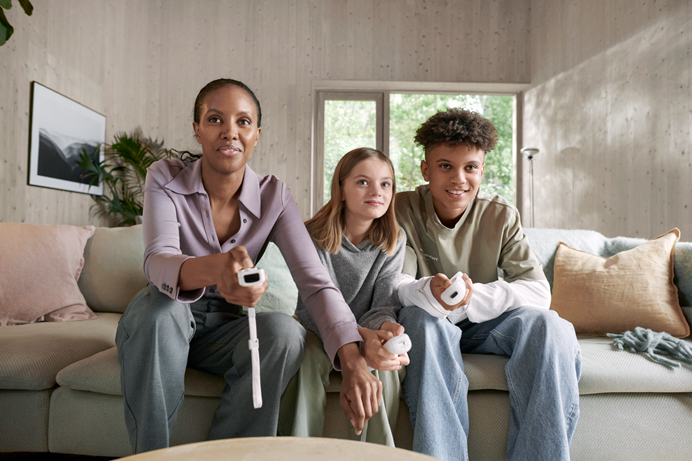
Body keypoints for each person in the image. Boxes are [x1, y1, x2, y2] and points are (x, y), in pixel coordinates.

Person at [115, 79, 380, 454]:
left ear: (257, 134)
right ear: (197, 130)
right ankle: (151, 456)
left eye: (243, 121)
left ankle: (230, 455)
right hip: (163, 318)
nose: (230, 132)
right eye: (215, 119)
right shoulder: (164, 177)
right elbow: (157, 259)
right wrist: (218, 269)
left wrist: (352, 359)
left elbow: (315, 282)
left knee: (286, 333)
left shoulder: (276, 197)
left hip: (225, 330)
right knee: (160, 312)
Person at [395, 108, 582, 461]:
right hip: (429, 322)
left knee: (551, 326)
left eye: (470, 167)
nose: (459, 179)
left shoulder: (501, 214)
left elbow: (538, 291)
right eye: (445, 166)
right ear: (425, 169)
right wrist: (427, 291)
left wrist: (470, 298)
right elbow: (396, 283)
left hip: (486, 323)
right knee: (420, 322)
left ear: (482, 170)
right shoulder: (401, 209)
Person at [280, 147, 410, 445]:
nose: (376, 191)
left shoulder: (394, 240)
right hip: (316, 329)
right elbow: (312, 307)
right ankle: (299, 451)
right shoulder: (310, 235)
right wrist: (359, 337)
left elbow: (382, 306)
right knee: (307, 360)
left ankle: (379, 453)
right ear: (340, 188)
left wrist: (385, 328)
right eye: (363, 182)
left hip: (365, 330)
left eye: (385, 183)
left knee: (384, 362)